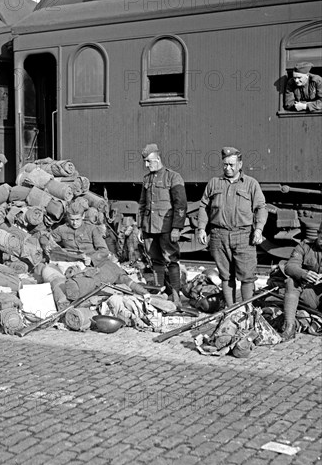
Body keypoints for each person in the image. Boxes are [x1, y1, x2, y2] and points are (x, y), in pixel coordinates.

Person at [197, 147, 267, 307]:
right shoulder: (214, 183)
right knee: (226, 276)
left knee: (247, 276)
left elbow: (261, 208)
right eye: (225, 164)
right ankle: (230, 310)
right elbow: (203, 206)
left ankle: (247, 311)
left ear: (240, 164)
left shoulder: (251, 184)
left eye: (232, 164)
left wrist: (258, 229)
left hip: (243, 236)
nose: (228, 168)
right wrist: (201, 228)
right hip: (218, 235)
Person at [137, 143, 187, 305]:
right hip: (149, 227)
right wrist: (140, 227)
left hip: (166, 228)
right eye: (145, 161)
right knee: (156, 261)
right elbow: (143, 204)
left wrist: (176, 227)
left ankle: (176, 295)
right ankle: (159, 294)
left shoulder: (173, 177)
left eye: (148, 161)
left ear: (157, 159)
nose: (146, 165)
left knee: (171, 260)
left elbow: (180, 205)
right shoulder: (147, 179)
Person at [280, 222, 322, 340]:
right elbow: (290, 266)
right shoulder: (304, 246)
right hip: (308, 294)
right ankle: (289, 326)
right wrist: (304, 274)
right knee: (290, 281)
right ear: (318, 234)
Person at [41, 201, 110, 267]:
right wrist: (46, 245)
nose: (74, 223)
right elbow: (45, 236)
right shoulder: (62, 229)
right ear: (68, 217)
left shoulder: (92, 229)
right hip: (70, 262)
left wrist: (91, 259)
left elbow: (104, 250)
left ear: (83, 216)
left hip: (89, 264)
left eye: (77, 219)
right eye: (72, 219)